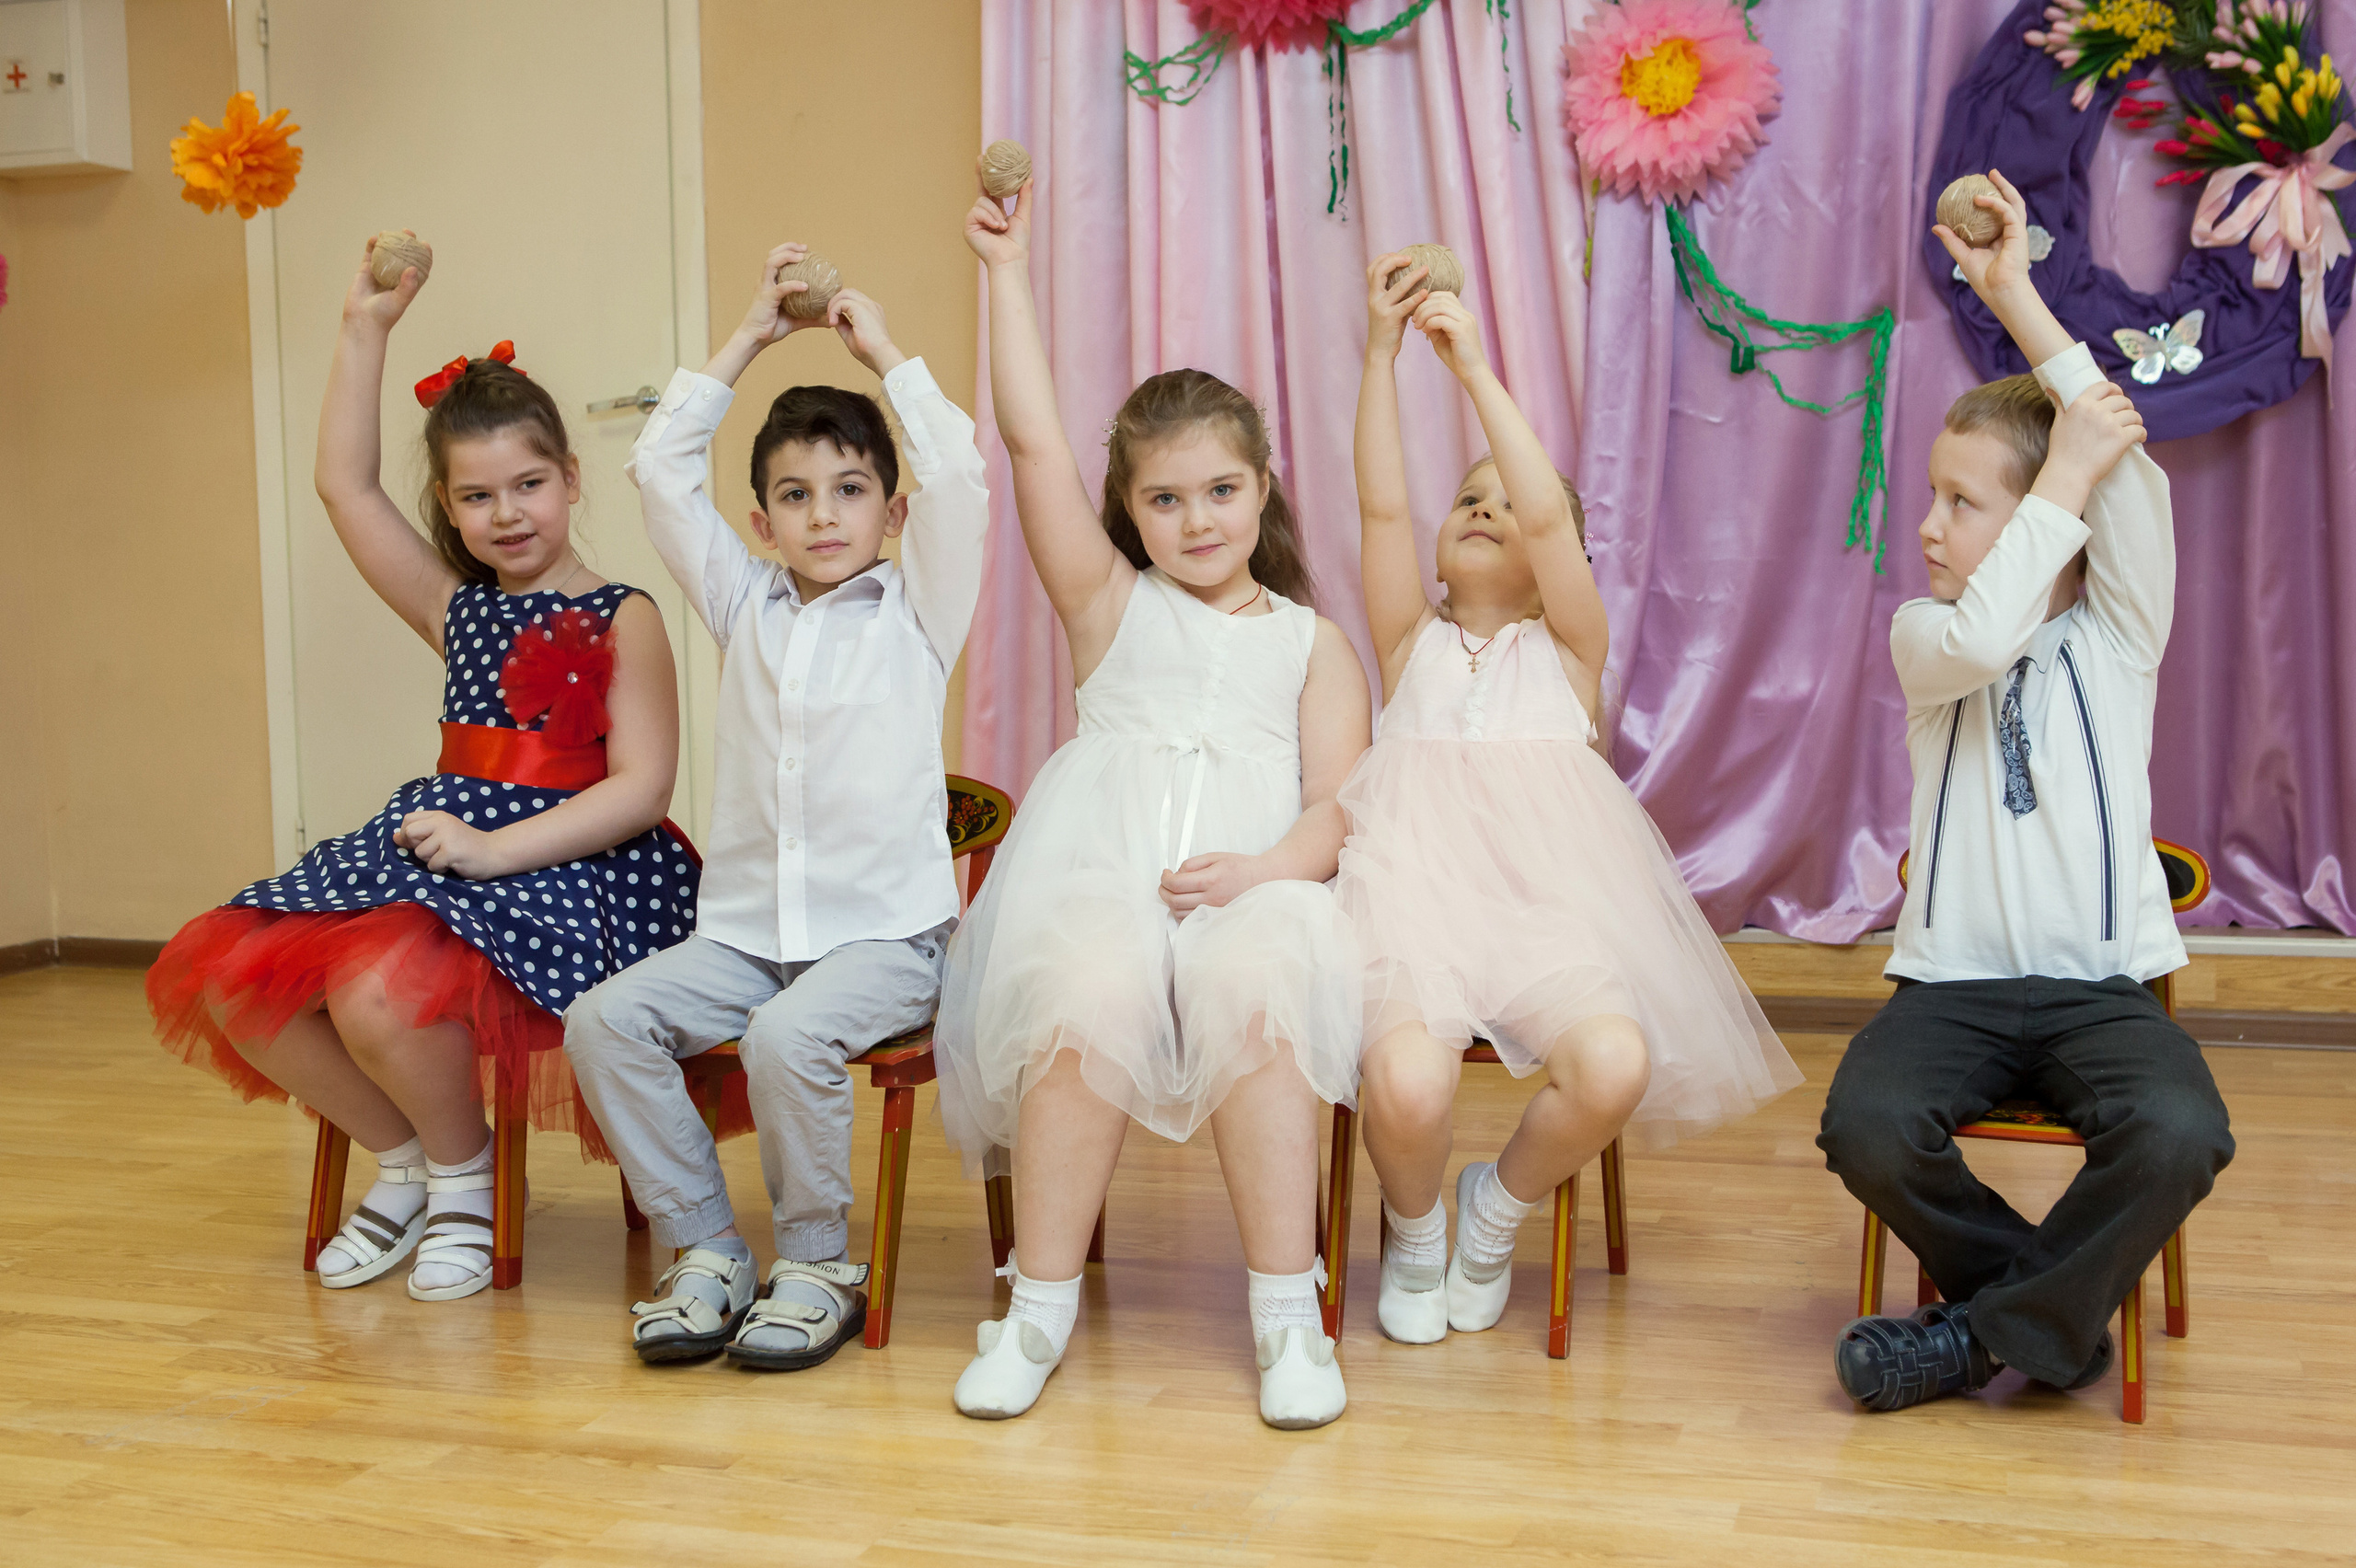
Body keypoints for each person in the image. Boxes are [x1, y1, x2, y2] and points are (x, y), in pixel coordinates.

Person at [148, 234, 699, 1302]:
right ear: (449, 510)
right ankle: (409, 1164)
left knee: (376, 989)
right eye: (479, 497)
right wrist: (366, 327)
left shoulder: (620, 615)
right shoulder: (459, 610)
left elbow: (640, 790)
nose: (510, 514)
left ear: (572, 479)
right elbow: (343, 486)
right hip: (444, 846)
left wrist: (496, 851)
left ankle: (465, 1179)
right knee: (232, 977)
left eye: (530, 484)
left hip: (575, 863)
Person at [935, 169, 1370, 1428]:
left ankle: (1290, 1318)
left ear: (1263, 489)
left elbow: (1338, 807)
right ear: (1126, 512)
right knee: (1086, 997)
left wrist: (1263, 875)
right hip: (1102, 878)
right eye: (1163, 499)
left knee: (1262, 991)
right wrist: (1006, 275)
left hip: (1258, 888)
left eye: (1220, 491)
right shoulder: (1108, 606)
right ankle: (1037, 1310)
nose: (1196, 519)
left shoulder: (1310, 642)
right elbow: (1027, 442)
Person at [1819, 169, 2234, 1412]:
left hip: (2101, 985)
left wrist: (2018, 297)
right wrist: (2052, 485)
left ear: (2052, 517)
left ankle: (1972, 1338)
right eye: (1933, 498)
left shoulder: (2119, 634)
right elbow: (1983, 639)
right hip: (1951, 986)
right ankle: (2041, 1318)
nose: (1931, 526)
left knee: (2180, 1131)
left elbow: (2114, 458)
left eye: (1961, 502)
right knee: (1868, 1127)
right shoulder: (1923, 636)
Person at [1337, 254, 1800, 1345]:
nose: (1489, 510)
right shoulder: (1412, 643)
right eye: (1469, 501)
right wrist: (1378, 354)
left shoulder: (1571, 652)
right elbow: (1380, 502)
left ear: (1565, 566)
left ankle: (1491, 1209)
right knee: (1404, 1082)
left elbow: (1547, 514)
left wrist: (1473, 373)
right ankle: (1411, 1231)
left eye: (1509, 502)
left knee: (1614, 1062)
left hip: (1544, 921)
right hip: (1411, 912)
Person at [564, 244, 987, 1372]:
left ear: (890, 514)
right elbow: (660, 470)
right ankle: (706, 1248)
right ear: (760, 523)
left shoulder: (919, 611)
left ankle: (816, 1262)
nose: (823, 515)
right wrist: (752, 330)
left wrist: (884, 352)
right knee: (603, 1021)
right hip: (746, 935)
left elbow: (958, 477)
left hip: (886, 937)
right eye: (795, 497)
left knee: (788, 1035)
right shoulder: (740, 603)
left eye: (849, 491)